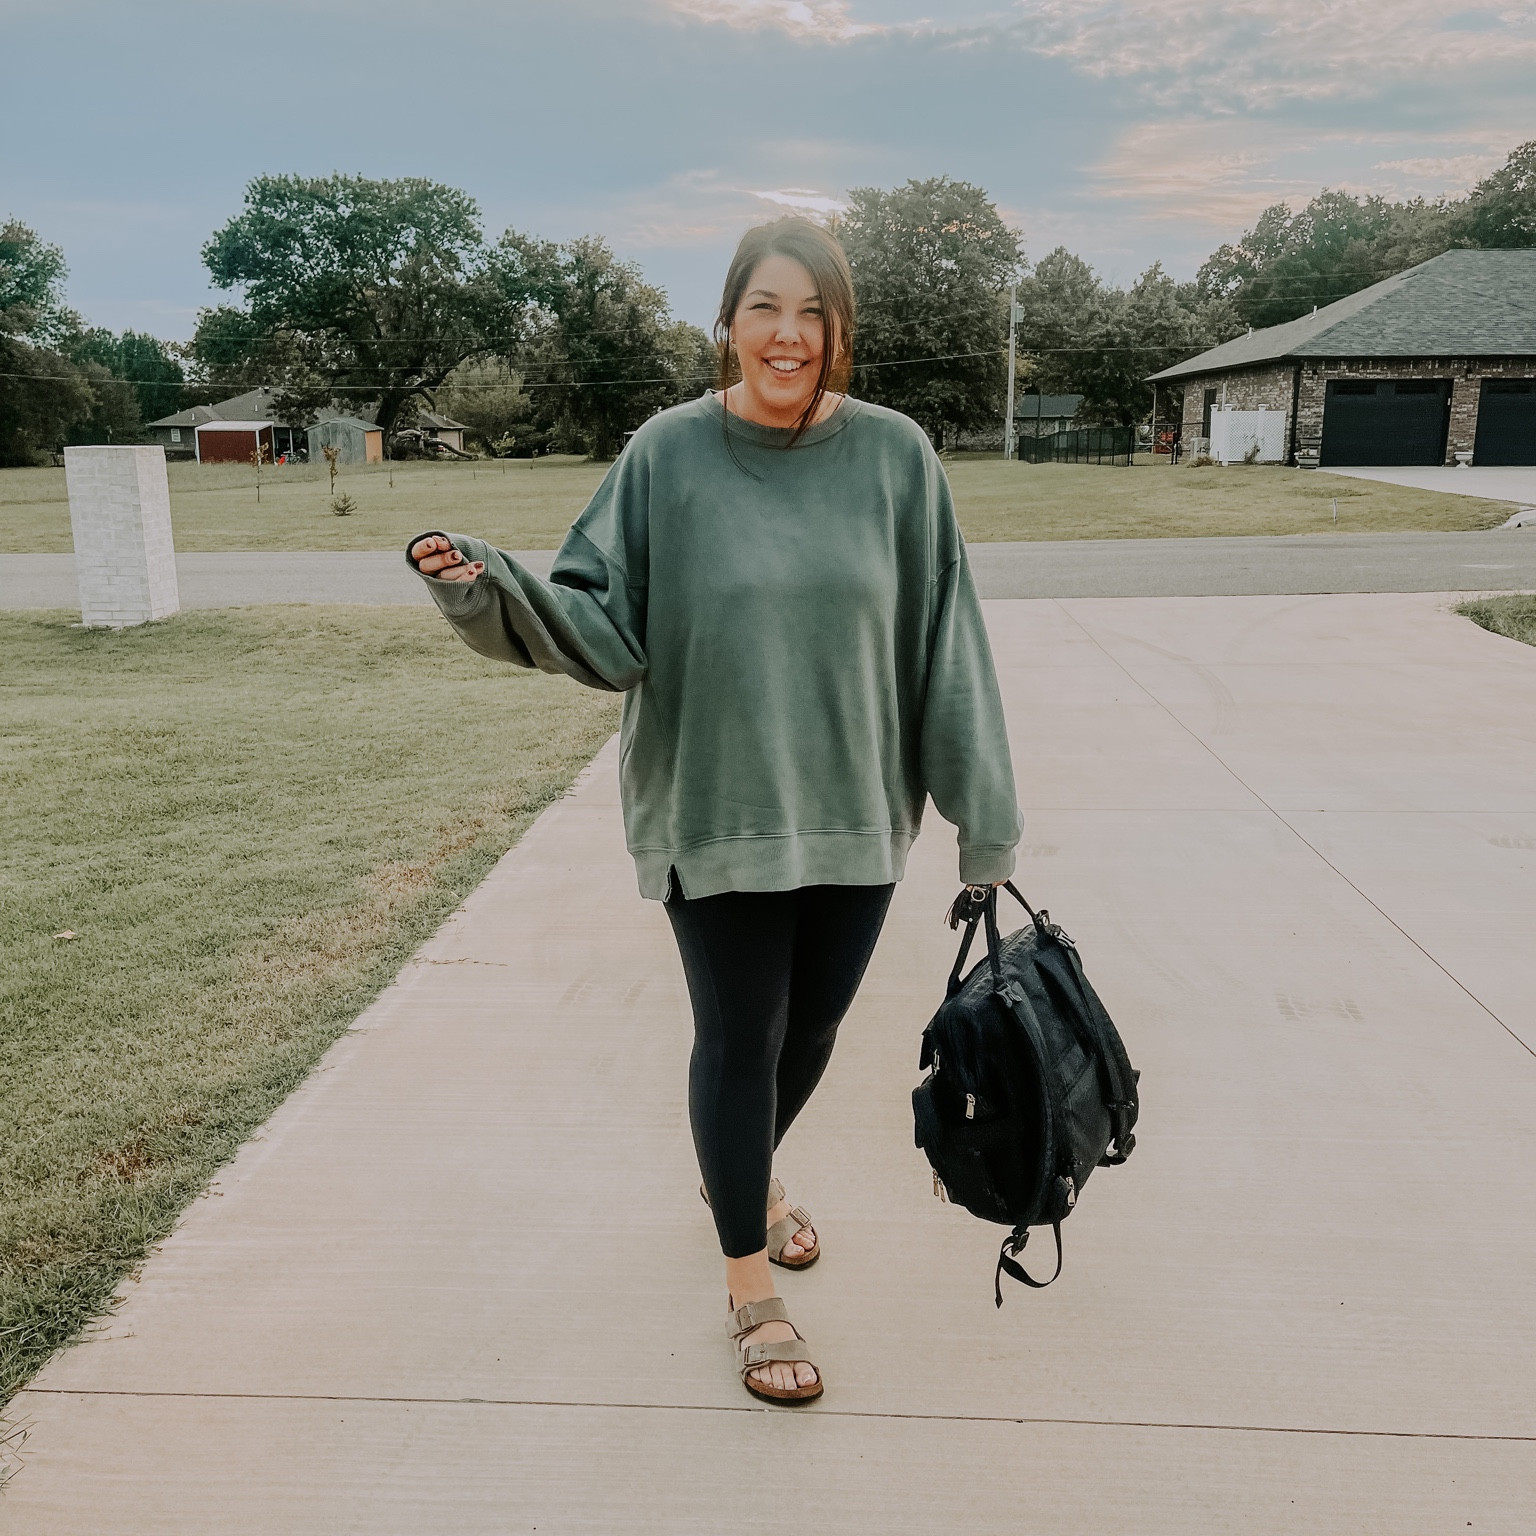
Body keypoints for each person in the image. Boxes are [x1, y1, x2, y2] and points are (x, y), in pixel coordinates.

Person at [407, 216, 1021, 1405]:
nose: (787, 336)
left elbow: (949, 641)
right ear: (729, 322)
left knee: (815, 1034)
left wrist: (981, 818)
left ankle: (737, 1174)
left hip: (853, 809)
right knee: (741, 1041)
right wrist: (489, 589)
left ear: (838, 331)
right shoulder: (667, 455)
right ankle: (751, 1281)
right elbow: (601, 620)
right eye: (764, 310)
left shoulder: (897, 458)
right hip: (716, 804)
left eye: (811, 314)